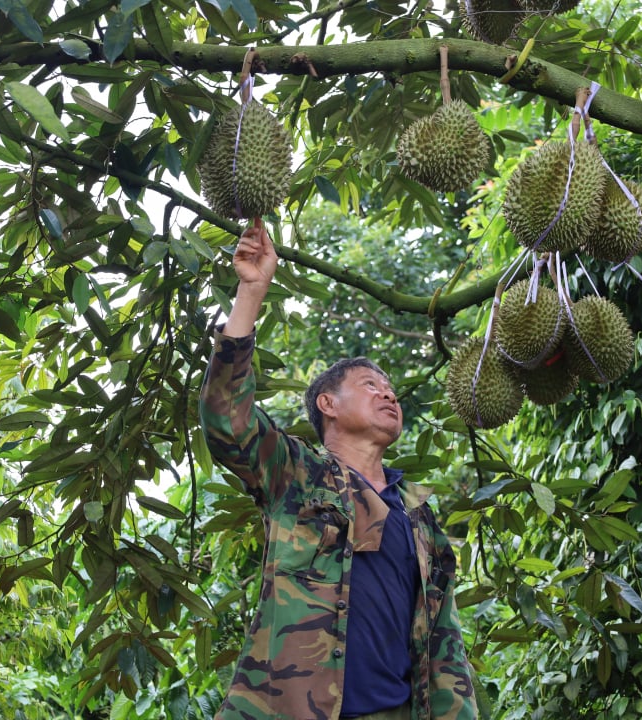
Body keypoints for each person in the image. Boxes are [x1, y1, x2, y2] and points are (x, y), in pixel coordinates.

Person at [198, 220, 479, 720]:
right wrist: (251, 291)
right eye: (371, 385)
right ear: (327, 403)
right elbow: (227, 418)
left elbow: (443, 640)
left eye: (390, 388)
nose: (388, 393)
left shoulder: (419, 513)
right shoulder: (297, 475)